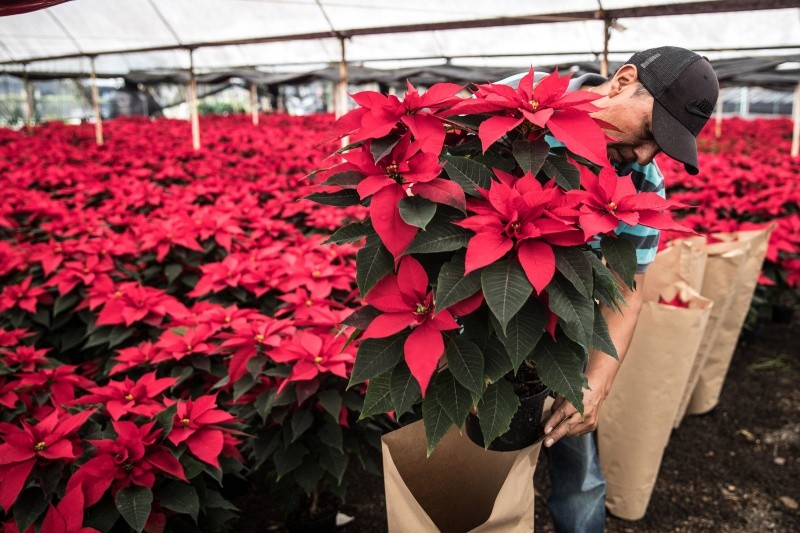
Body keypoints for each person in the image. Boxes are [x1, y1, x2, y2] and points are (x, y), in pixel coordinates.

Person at [497, 46, 719, 532]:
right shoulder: (514, 105)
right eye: (651, 133)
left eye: (663, 148)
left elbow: (627, 289)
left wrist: (597, 384)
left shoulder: (643, 181)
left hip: (561, 329)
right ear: (622, 80)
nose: (645, 155)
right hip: (479, 321)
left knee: (579, 472)